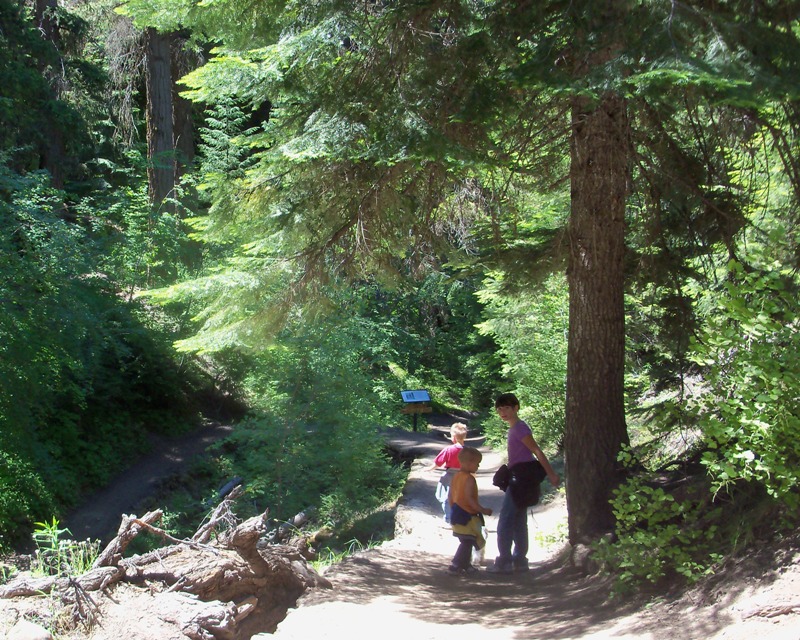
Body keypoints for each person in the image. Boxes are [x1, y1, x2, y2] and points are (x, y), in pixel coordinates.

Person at [489, 392, 560, 574]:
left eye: (506, 408)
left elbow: (536, 450)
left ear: (516, 408)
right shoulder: (515, 428)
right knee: (519, 520)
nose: (503, 412)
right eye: (500, 409)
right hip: (522, 477)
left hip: (521, 479)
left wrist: (551, 473)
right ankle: (520, 560)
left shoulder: (520, 429)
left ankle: (505, 560)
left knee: (505, 519)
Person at [447, 446, 493, 575]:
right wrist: (482, 510)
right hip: (467, 515)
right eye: (477, 463)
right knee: (467, 541)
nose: (478, 466)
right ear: (468, 463)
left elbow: (450, 496)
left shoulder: (456, 477)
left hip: (456, 512)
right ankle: (455, 565)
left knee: (467, 539)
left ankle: (466, 565)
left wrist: (453, 508)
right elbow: (469, 499)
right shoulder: (469, 479)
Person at [428, 422, 468, 523]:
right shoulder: (468, 451)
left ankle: (449, 520)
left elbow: (438, 462)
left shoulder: (449, 450)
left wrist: (429, 469)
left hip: (450, 475)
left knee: (446, 497)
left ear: (453, 437)